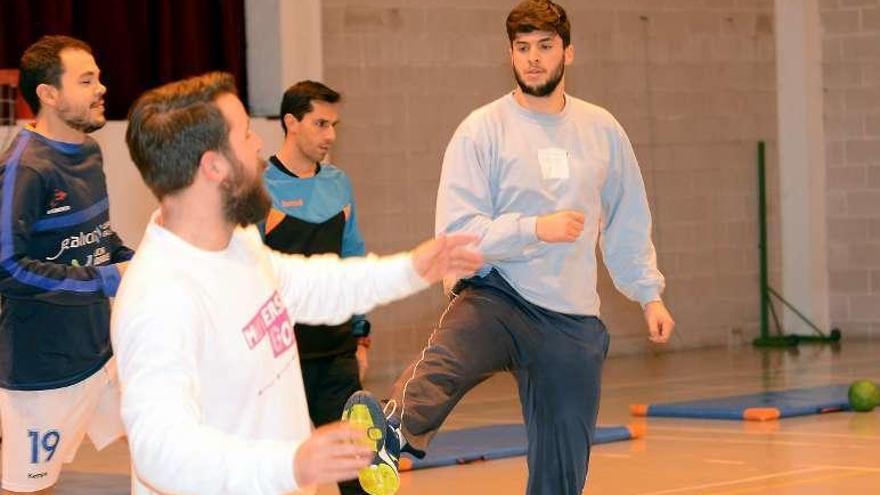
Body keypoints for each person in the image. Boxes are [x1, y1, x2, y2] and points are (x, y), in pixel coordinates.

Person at [112, 72, 482, 495]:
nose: (257, 147)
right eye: (247, 134)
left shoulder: (236, 240)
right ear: (213, 166)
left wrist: (412, 268)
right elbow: (159, 451)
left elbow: (308, 285)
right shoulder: (159, 298)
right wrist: (290, 464)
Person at [382, 1, 677, 494]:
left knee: (562, 475)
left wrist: (649, 294)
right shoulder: (482, 130)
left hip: (571, 319)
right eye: (523, 48)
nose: (533, 58)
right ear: (510, 55)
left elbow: (628, 218)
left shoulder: (601, 129)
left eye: (545, 46)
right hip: (499, 295)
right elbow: (457, 231)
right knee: (443, 363)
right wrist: (534, 228)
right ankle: (385, 436)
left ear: (569, 53)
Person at [0, 35, 132, 494]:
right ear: (49, 94)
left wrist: (134, 262)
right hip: (42, 373)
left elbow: (98, 236)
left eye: (98, 77)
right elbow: (7, 268)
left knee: (161, 448)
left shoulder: (90, 151)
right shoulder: (25, 168)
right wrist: (104, 280)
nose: (102, 88)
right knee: (28, 489)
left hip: (101, 353)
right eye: (87, 80)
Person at [262, 80, 371, 495]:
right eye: (320, 123)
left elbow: (353, 259)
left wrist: (361, 336)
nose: (331, 136)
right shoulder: (259, 186)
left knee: (361, 470)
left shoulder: (339, 183)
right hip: (278, 360)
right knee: (278, 479)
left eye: (334, 124)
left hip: (336, 353)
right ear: (291, 122)